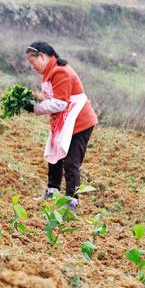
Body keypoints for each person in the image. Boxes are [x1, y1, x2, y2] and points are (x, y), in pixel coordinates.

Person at [24, 42, 98, 211]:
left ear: (42, 56)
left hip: (80, 123)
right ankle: (52, 190)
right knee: (54, 155)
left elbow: (59, 103)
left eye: (32, 62)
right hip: (63, 122)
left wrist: (34, 108)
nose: (32, 66)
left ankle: (71, 202)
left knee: (71, 163)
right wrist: (34, 99)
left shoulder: (60, 71)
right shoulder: (49, 71)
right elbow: (52, 97)